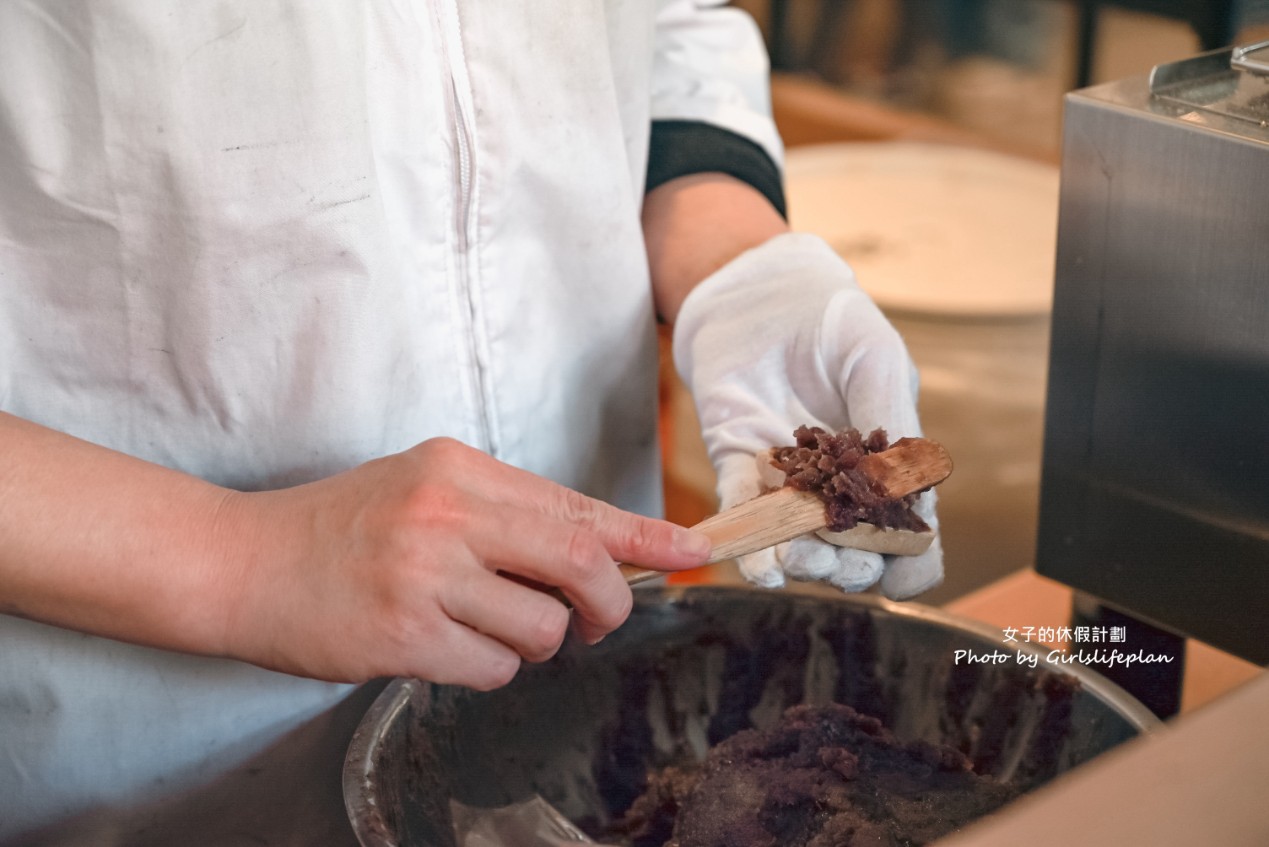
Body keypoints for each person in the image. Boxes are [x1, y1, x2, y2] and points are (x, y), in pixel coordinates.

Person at [0, 1, 941, 842]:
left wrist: (735, 266)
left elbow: (666, 28)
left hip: (586, 710)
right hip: (151, 754)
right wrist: (234, 555)